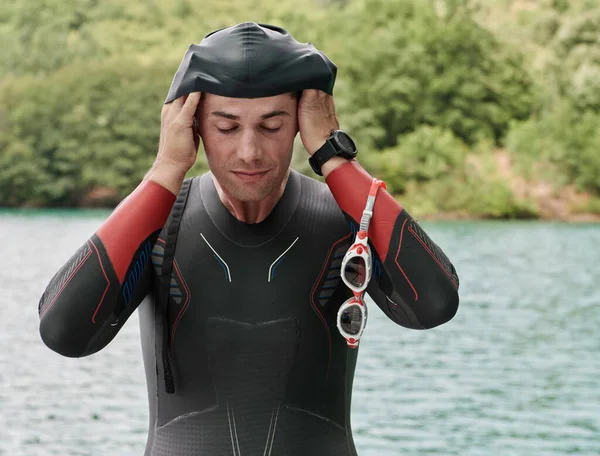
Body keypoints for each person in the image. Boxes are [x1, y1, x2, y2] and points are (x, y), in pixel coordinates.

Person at [38, 22, 460, 456]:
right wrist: (165, 170)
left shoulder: (347, 221)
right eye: (226, 128)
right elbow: (63, 332)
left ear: (301, 123)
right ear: (194, 126)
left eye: (272, 126)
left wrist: (334, 157)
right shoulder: (161, 225)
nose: (249, 152)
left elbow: (433, 305)